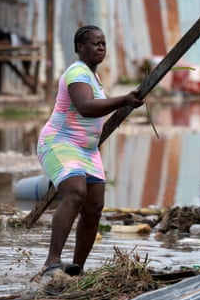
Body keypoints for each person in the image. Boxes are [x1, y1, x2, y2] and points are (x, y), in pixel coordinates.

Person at [32, 25, 144, 281]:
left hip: (86, 150)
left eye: (103, 43)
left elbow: (94, 115)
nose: (101, 47)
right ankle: (52, 261)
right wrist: (125, 100)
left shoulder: (94, 78)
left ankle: (76, 270)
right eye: (95, 43)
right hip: (59, 143)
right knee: (76, 193)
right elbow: (85, 107)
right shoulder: (77, 72)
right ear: (80, 47)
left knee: (94, 206)